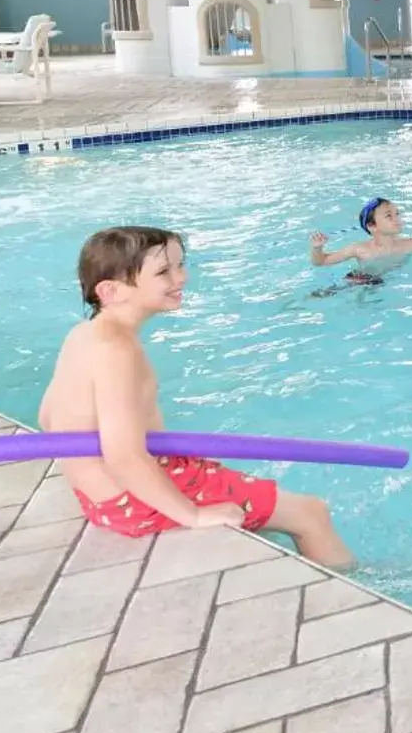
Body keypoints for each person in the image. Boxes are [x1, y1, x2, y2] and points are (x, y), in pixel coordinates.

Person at [40, 226, 352, 566]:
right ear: (111, 290)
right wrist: (193, 515)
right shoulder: (117, 350)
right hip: (132, 500)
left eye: (180, 265)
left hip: (102, 499)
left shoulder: (84, 334)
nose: (181, 278)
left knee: (262, 514)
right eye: (163, 272)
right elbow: (124, 458)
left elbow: (48, 418)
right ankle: (356, 590)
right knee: (311, 513)